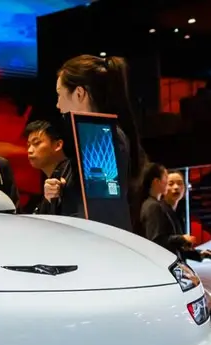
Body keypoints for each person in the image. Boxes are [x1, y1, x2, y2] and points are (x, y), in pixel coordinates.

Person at [46, 55, 147, 233]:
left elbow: (100, 212)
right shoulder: (99, 135)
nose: (58, 104)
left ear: (79, 93)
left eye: (60, 94)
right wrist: (60, 192)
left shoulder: (99, 137)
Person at [139, 163, 194, 255]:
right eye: (167, 180)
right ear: (157, 181)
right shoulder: (153, 206)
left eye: (180, 183)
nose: (176, 187)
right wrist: (182, 239)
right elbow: (157, 241)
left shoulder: (174, 212)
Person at [24, 120, 69, 215]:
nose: (29, 150)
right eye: (28, 145)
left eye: (36, 143)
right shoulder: (51, 178)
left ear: (58, 145)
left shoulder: (74, 175)